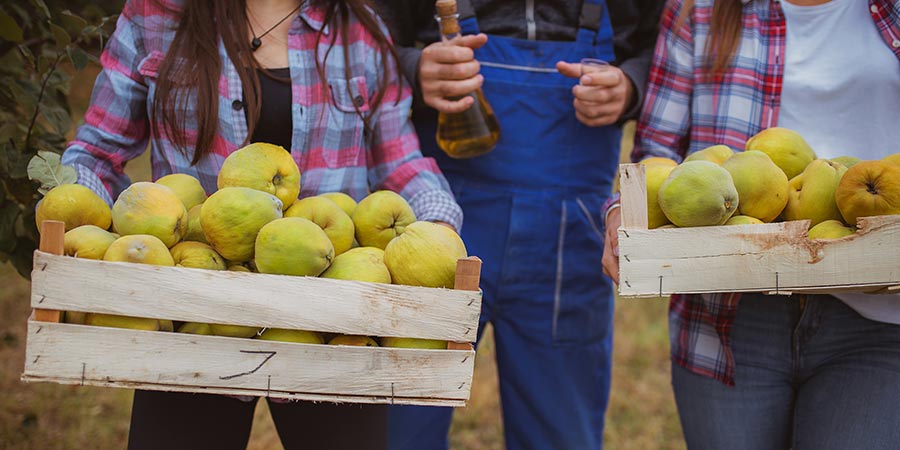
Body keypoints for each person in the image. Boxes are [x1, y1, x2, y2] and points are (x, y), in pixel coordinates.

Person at [60, 0, 463, 449]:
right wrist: (75, 211)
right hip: (194, 308)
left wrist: (437, 228)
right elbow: (96, 152)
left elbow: (401, 162)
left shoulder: (358, 28)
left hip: (332, 314)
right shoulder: (157, 17)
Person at [602, 0, 900, 448]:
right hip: (731, 316)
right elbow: (655, 152)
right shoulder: (701, 10)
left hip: (875, 316)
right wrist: (621, 211)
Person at [375, 1, 664, 448]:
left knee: (558, 430)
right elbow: (360, 35)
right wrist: (414, 67)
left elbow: (666, 44)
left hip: (567, 238)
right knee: (401, 424)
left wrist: (633, 85)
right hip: (436, 226)